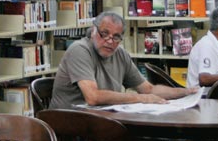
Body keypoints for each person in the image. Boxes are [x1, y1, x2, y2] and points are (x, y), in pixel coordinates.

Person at [51, 11, 197, 109]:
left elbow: (149, 90)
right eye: (104, 33)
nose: (110, 41)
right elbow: (93, 97)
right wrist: (139, 99)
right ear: (93, 31)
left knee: (146, 140)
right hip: (70, 122)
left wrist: (184, 92)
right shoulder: (80, 50)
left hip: (101, 118)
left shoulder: (120, 54)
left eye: (116, 37)